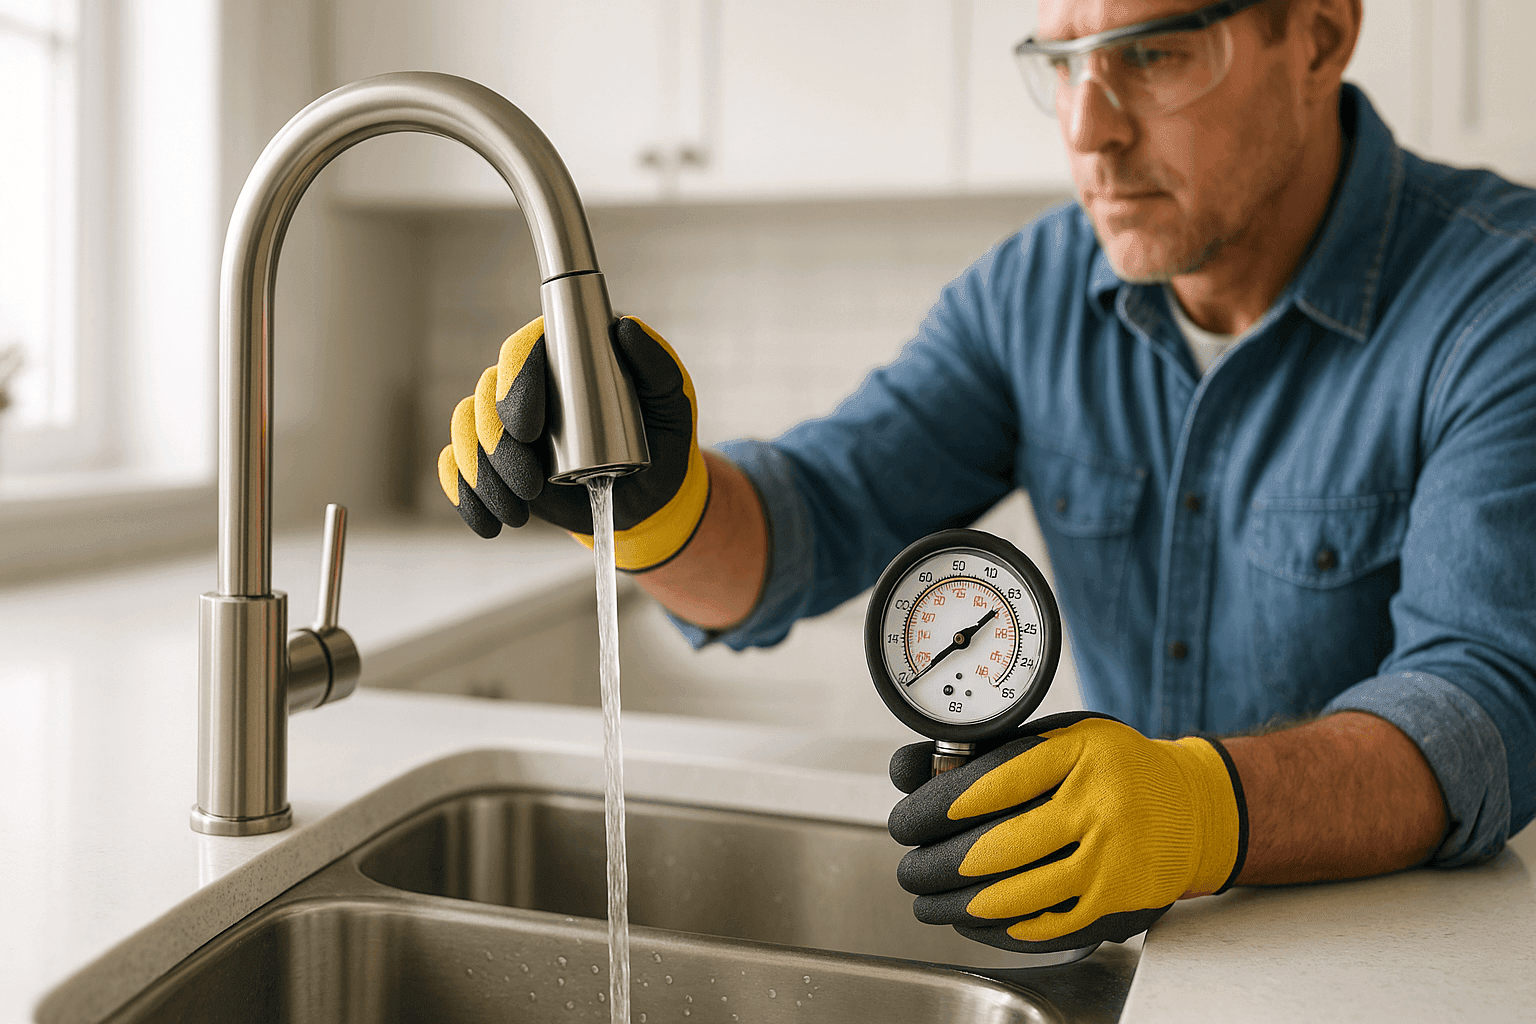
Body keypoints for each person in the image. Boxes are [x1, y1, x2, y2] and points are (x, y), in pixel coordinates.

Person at [438, 0, 1536, 953]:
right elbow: (811, 519)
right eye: (1062, 64)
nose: (1086, 129)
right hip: (1157, 950)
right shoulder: (1031, 295)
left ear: (1320, 33)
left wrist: (1206, 809)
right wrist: (660, 498)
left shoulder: (1499, 300)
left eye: (1151, 53)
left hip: (1400, 959)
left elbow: (1485, 703)